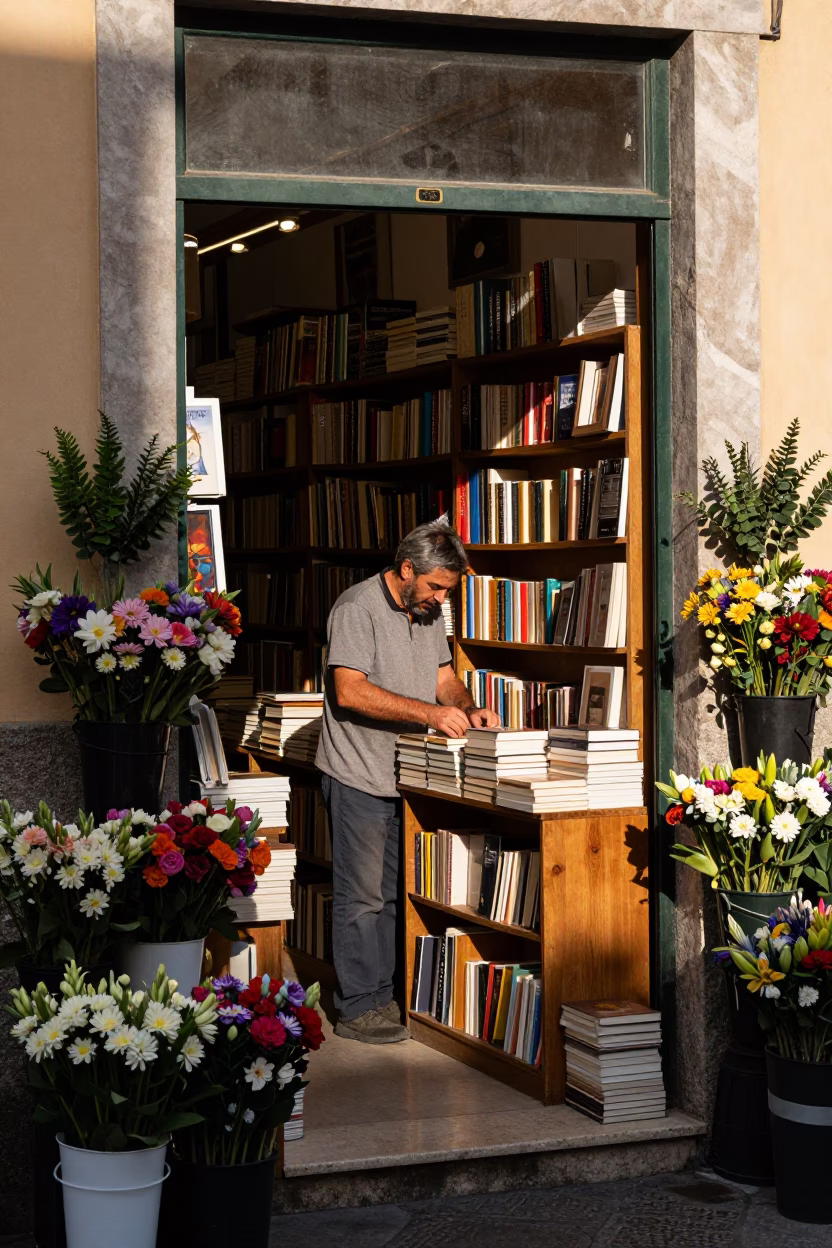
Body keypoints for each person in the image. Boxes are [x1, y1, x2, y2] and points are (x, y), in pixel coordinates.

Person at [315, 521, 501, 1043]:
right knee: (363, 898)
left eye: (447, 589)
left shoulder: (430, 611)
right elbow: (349, 691)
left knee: (396, 896)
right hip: (358, 773)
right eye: (436, 586)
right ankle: (358, 1007)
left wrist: (468, 707)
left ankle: (384, 995)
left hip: (412, 778)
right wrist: (429, 715)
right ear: (405, 570)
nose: (441, 598)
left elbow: (444, 678)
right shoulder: (357, 608)